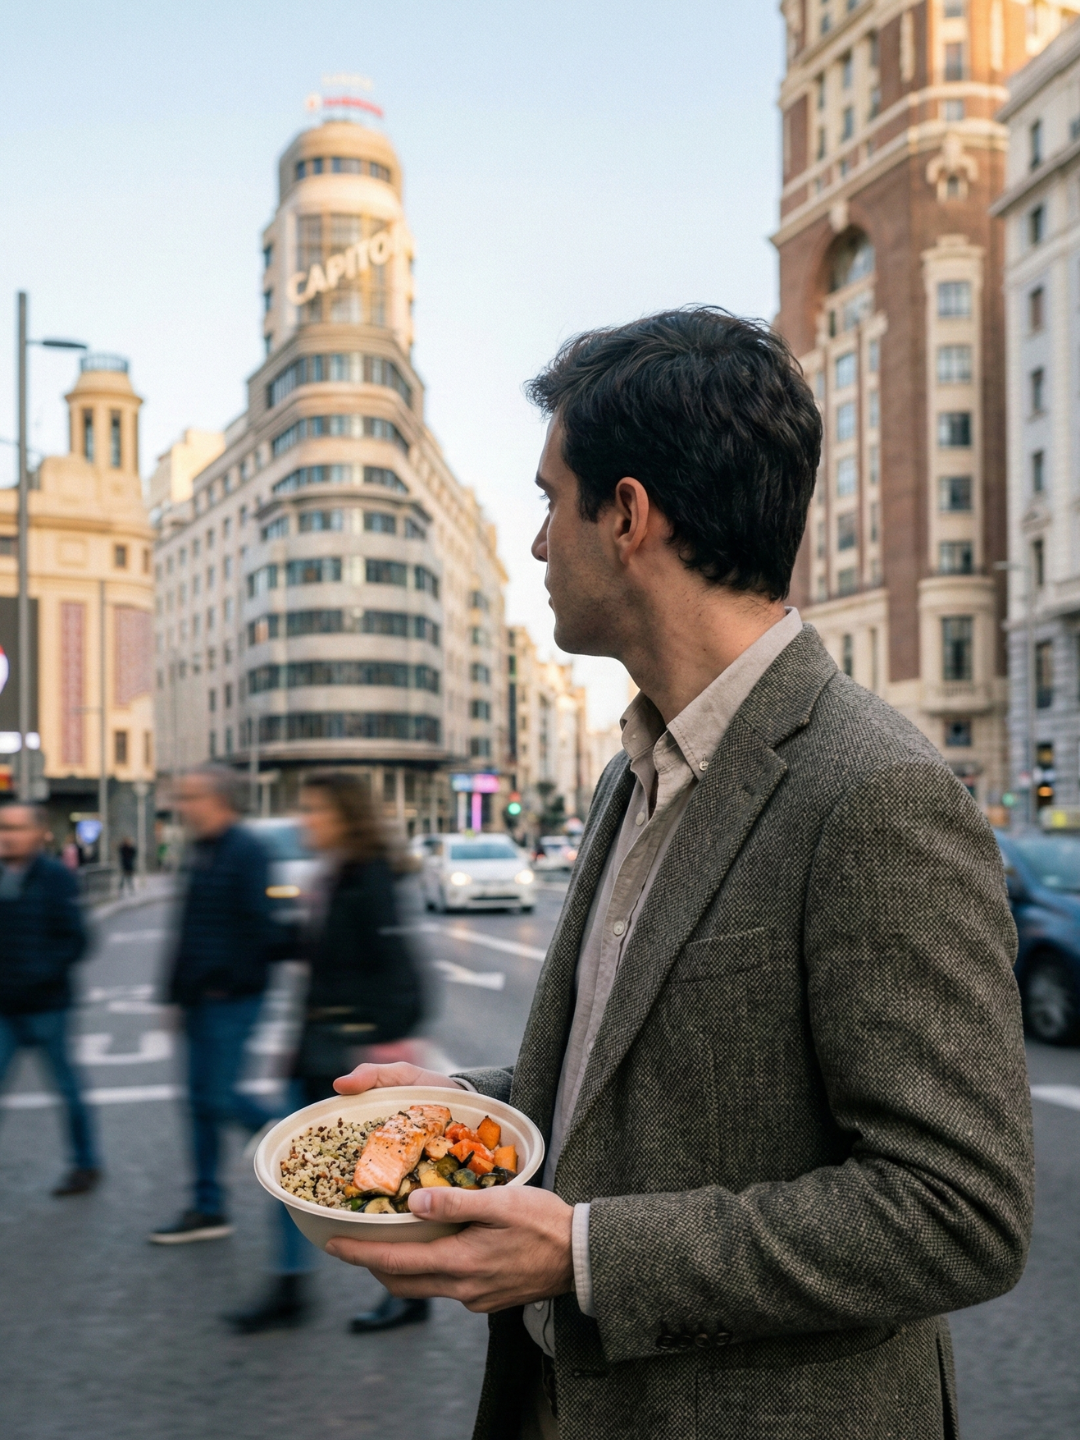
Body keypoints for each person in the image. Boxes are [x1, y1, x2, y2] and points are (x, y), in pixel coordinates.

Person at [325, 309, 1034, 1440]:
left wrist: (588, 1254)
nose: (538, 543)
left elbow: (959, 1213)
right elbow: (637, 1080)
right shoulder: (636, 767)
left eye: (552, 499)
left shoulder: (872, 792)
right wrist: (458, 1112)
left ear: (628, 513)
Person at [227, 770, 425, 1335]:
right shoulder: (331, 875)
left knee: (376, 1179)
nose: (304, 820)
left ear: (344, 816)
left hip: (352, 1054)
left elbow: (395, 971)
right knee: (291, 1169)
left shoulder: (369, 877)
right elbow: (312, 958)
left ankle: (410, 1292)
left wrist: (375, 1049)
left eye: (314, 809)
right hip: (317, 1046)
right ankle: (289, 1288)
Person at [150, 765, 276, 1244]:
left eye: (192, 797)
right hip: (199, 999)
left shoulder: (247, 850)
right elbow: (188, 928)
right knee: (198, 1104)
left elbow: (258, 927)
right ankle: (207, 1205)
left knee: (218, 1097)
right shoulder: (200, 851)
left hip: (232, 999)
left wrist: (226, 982)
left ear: (219, 800)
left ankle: (275, 1131)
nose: (184, 807)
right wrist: (176, 995)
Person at [0, 802, 101, 1195]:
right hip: (4, 1009)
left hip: (48, 1006)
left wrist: (39, 974)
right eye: (2, 827)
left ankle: (86, 1164)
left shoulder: (57, 877)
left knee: (67, 1089)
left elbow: (76, 939)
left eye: (16, 828)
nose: (7, 835)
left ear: (38, 833)